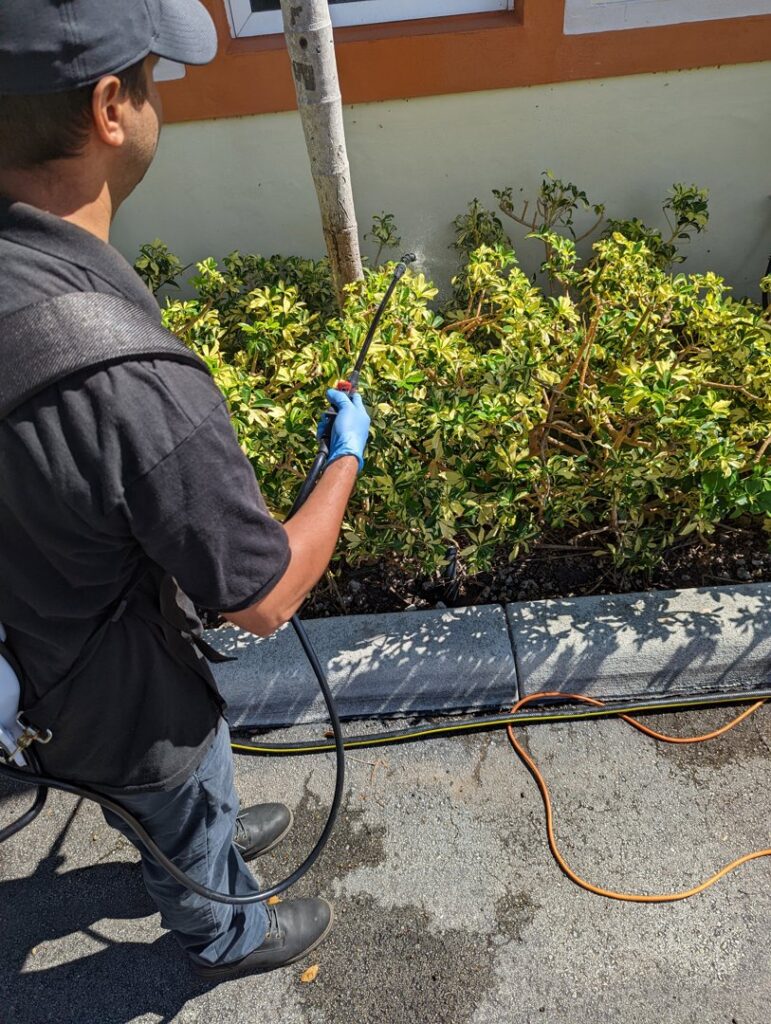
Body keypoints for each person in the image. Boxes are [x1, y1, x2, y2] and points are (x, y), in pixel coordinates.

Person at [0, 0, 371, 982]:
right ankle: (221, 930)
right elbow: (264, 594)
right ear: (111, 106)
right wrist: (345, 458)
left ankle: (190, 828)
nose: (162, 99)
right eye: (154, 79)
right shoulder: (131, 385)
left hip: (32, 659)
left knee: (161, 791)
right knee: (174, 782)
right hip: (124, 697)